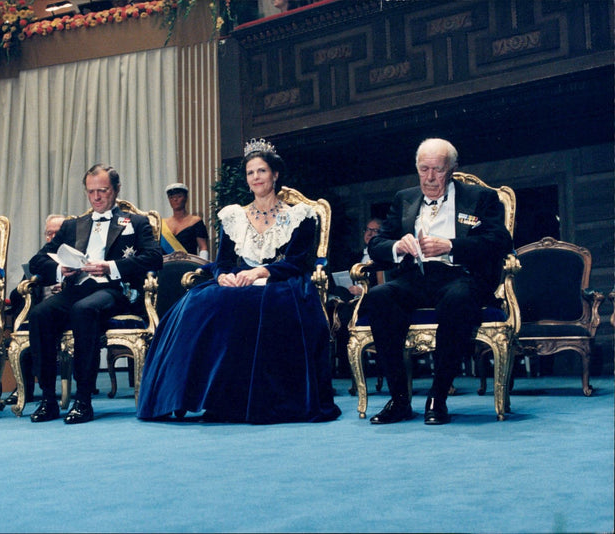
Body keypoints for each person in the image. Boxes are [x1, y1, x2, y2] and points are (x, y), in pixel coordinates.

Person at [137, 139, 341, 424]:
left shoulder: (299, 215)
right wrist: (223, 276)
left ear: (275, 175)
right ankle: (183, 395)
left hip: (280, 284)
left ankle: (246, 399)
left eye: (262, 171)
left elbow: (296, 262)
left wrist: (259, 273)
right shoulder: (234, 216)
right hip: (239, 282)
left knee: (260, 306)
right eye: (250, 173)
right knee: (197, 302)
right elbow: (221, 261)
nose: (256, 178)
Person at [362, 138, 512, 425]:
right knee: (380, 296)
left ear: (453, 169)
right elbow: (377, 244)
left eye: (438, 170)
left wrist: (451, 246)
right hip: (415, 277)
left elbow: (499, 241)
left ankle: (438, 397)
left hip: (461, 276)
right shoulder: (403, 198)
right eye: (424, 169)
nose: (430, 178)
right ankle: (400, 400)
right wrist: (398, 246)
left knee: (457, 299)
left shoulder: (480, 197)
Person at [27, 164, 162, 424]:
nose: (97, 197)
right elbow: (37, 261)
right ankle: (47, 398)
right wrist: (59, 269)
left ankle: (84, 399)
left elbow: (155, 258)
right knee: (41, 313)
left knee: (85, 310)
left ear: (116, 190)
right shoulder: (72, 226)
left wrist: (110, 267)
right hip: (76, 288)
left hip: (114, 289)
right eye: (91, 192)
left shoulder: (135, 222)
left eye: (103, 190)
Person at [3, 213, 66, 406]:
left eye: (57, 233)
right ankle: (24, 388)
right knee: (28, 320)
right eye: (48, 234)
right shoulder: (40, 260)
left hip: (67, 311)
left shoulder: (76, 259)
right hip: (41, 312)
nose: (52, 238)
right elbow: (15, 295)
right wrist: (30, 283)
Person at [327, 217, 384, 379]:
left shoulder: (383, 257)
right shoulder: (356, 256)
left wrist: (362, 292)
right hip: (350, 299)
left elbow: (384, 285)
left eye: (375, 230)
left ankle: (351, 366)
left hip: (369, 300)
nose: (370, 233)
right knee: (335, 309)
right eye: (368, 230)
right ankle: (342, 365)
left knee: (345, 314)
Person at [160, 182, 209, 259]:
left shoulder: (195, 221)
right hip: (167, 266)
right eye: (171, 197)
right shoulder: (162, 224)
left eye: (179, 196)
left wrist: (202, 267)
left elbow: (203, 248)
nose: (175, 199)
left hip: (189, 266)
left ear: (186, 198)